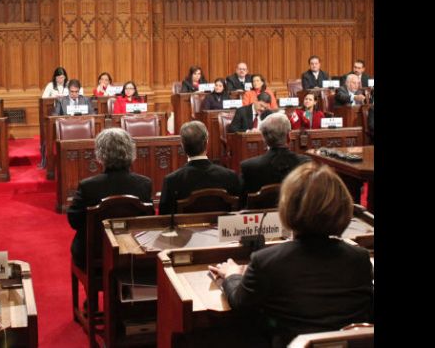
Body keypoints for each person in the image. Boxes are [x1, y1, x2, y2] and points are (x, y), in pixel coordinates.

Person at [209, 163, 373, 347]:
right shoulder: (359, 258)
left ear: (288, 206)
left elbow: (240, 302)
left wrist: (232, 275)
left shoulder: (267, 261)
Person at [67, 128, 152, 268]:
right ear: (131, 152)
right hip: (132, 253)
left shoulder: (88, 186)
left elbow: (74, 221)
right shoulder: (144, 184)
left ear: (100, 155)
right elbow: (146, 223)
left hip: (93, 257)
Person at [159, 121, 240, 214]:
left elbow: (164, 219)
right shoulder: (230, 176)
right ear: (207, 143)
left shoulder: (172, 181)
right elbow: (238, 212)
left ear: (182, 146)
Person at [240, 113, 309, 200]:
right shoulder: (306, 164)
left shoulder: (248, 167)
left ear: (264, 140)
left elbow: (241, 204)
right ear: (289, 136)